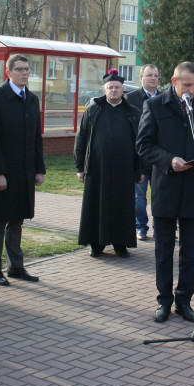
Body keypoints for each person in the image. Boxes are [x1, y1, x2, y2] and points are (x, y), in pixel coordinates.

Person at [137, 61, 194, 323]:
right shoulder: (154, 105)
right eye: (187, 85)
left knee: (191, 250)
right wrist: (168, 160)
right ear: (175, 82)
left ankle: (184, 300)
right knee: (164, 249)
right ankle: (164, 301)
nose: (193, 90)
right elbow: (143, 145)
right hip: (167, 187)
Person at [0, 54, 45, 286]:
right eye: (19, 69)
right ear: (8, 72)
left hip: (25, 172)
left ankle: (16, 266)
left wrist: (39, 169)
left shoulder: (32, 99)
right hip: (4, 173)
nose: (25, 73)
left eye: (27, 69)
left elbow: (36, 137)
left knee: (17, 220)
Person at [75, 71, 142, 258]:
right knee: (97, 204)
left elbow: (140, 143)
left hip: (124, 168)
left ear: (123, 90)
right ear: (105, 90)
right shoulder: (93, 110)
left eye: (117, 87)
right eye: (110, 87)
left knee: (122, 205)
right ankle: (97, 243)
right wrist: (80, 166)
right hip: (97, 168)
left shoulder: (132, 112)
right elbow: (81, 139)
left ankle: (121, 244)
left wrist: (139, 170)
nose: (114, 90)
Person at [125, 64, 160, 241]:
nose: (153, 78)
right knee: (139, 196)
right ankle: (141, 227)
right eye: (149, 75)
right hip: (138, 157)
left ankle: (159, 227)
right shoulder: (130, 99)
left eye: (155, 76)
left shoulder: (164, 98)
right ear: (141, 78)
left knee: (159, 195)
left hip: (159, 158)